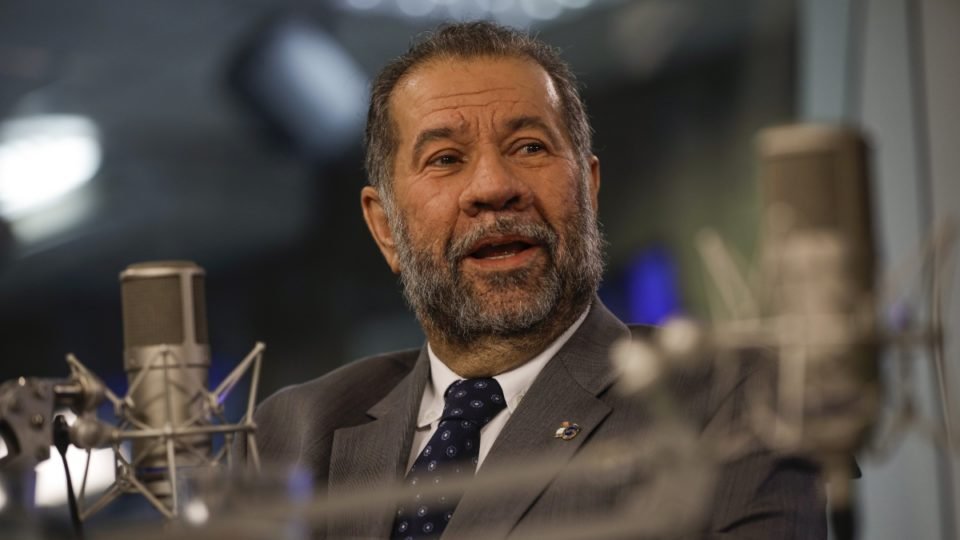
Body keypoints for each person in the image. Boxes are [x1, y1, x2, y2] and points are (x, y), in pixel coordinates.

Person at [241, 21, 825, 539]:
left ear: (589, 189)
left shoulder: (731, 401)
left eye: (529, 147)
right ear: (385, 227)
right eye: (445, 159)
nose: (494, 187)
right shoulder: (292, 432)